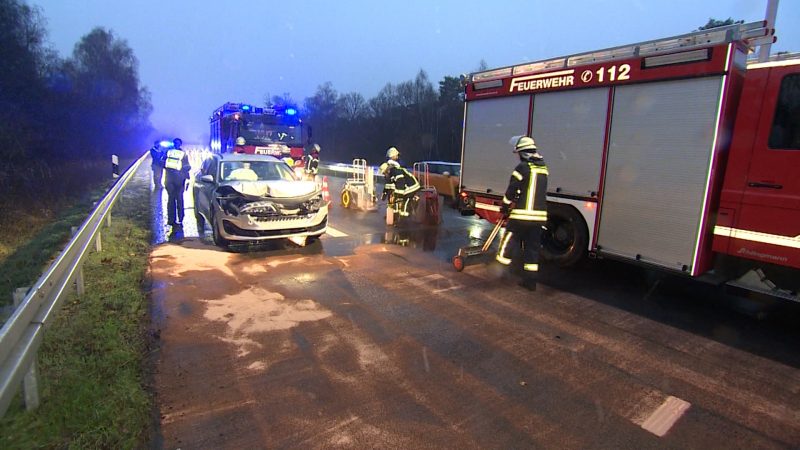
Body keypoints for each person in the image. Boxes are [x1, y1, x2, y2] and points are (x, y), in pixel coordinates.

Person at [496, 136, 549, 291]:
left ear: (523, 153)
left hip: (521, 216)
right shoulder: (543, 168)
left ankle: (501, 272)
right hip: (539, 217)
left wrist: (505, 206)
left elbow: (511, 190)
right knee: (532, 249)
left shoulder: (522, 168)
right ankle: (530, 281)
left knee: (508, 242)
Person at [383, 146, 420, 225]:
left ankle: (404, 221)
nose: (384, 175)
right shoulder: (393, 169)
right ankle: (397, 218)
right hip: (407, 187)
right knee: (399, 202)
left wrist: (397, 194)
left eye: (384, 173)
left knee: (405, 204)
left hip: (411, 187)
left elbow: (400, 183)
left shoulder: (396, 170)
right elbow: (391, 184)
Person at [164, 138, 191, 228]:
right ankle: (180, 218)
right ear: (180, 145)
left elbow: (161, 163)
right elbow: (187, 166)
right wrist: (187, 177)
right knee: (179, 199)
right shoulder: (183, 154)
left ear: (173, 144)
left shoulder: (168, 152)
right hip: (180, 179)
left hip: (169, 179)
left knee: (171, 199)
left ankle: (171, 219)